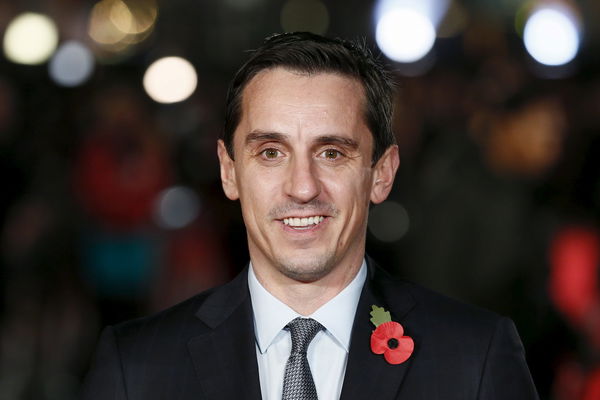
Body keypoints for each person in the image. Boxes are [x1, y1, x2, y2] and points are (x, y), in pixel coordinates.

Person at [81, 32, 539, 400]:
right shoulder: (135, 366)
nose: (303, 187)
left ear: (381, 174)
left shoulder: (474, 357)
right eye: (271, 152)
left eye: (332, 152)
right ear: (229, 172)